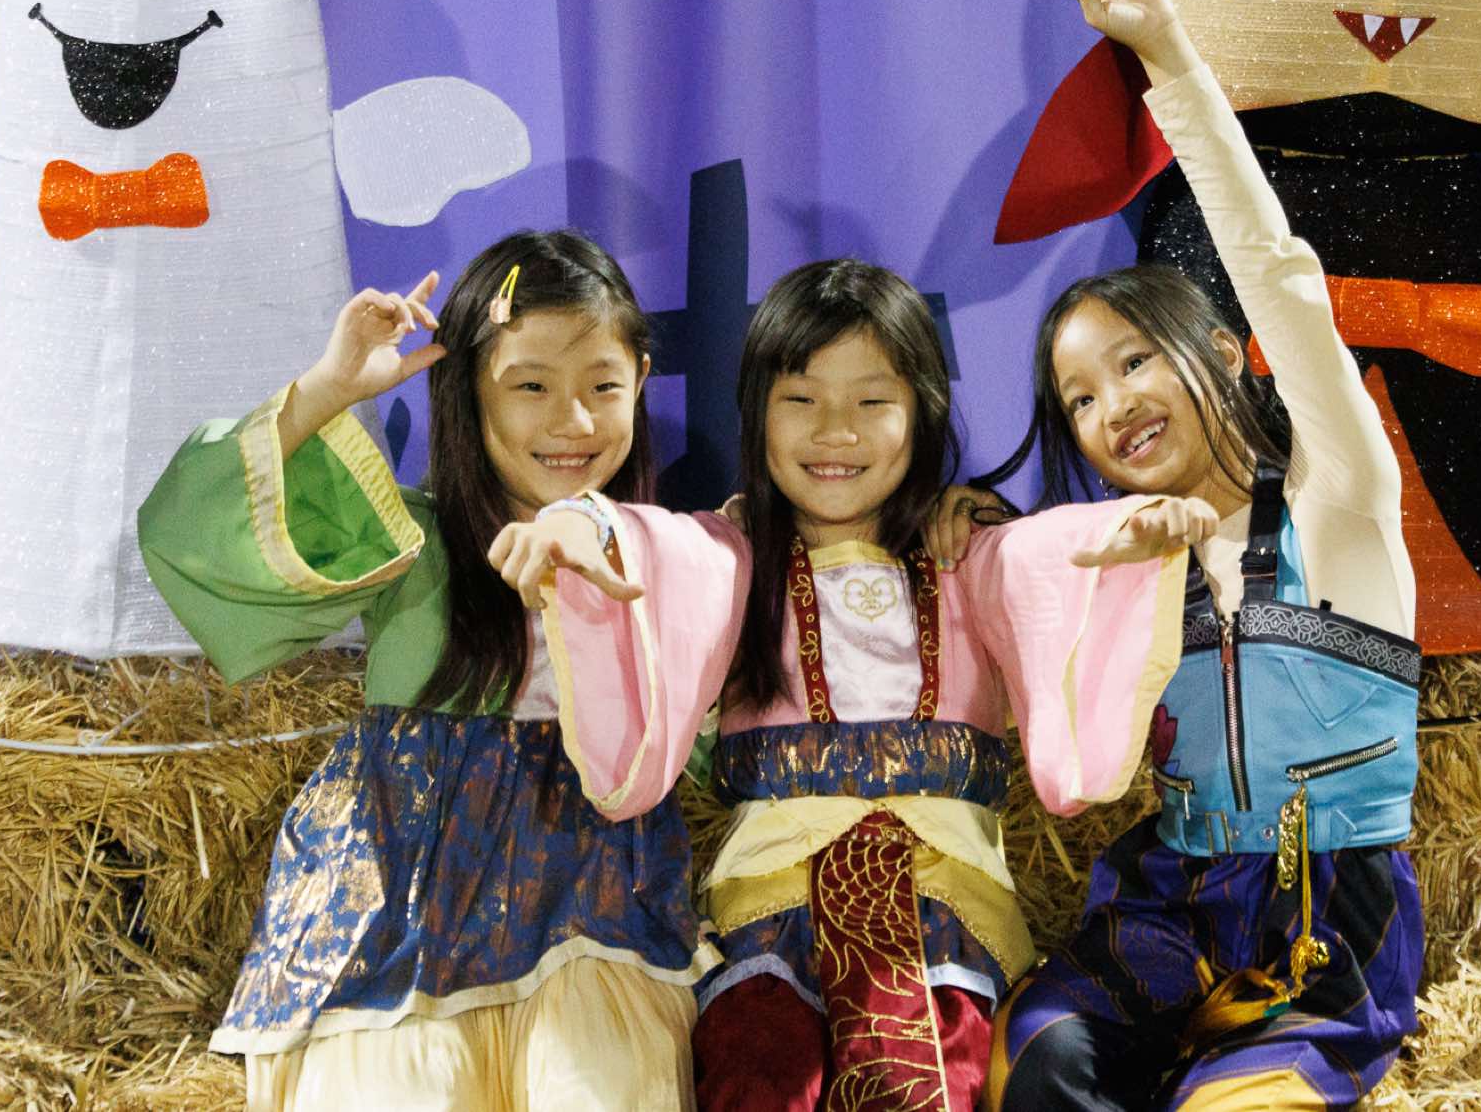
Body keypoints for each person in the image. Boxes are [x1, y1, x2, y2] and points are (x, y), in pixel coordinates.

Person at [493, 257, 1198, 1111]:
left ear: (922, 412)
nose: (836, 432)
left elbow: (1039, 560)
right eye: (801, 399)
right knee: (756, 1073)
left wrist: (1124, 533)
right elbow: (663, 553)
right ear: (757, 412)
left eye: (872, 402)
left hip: (940, 910)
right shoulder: (738, 556)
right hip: (771, 911)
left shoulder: (964, 552)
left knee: (923, 1077)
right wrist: (585, 530)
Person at [955, 0, 1423, 1111]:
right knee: (1040, 1059)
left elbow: (1278, 274)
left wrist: (1162, 52)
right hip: (1162, 905)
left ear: (1219, 349)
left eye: (1131, 363)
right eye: (1077, 398)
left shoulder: (1336, 500)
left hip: (1321, 922)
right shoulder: (1114, 562)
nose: (1109, 407)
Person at [136, 231, 714, 1112]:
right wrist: (328, 388)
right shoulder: (408, 544)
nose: (572, 421)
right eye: (531, 386)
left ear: (639, 378)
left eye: (602, 385)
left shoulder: (659, 560)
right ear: (467, 389)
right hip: (396, 923)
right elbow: (188, 528)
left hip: (599, 917)